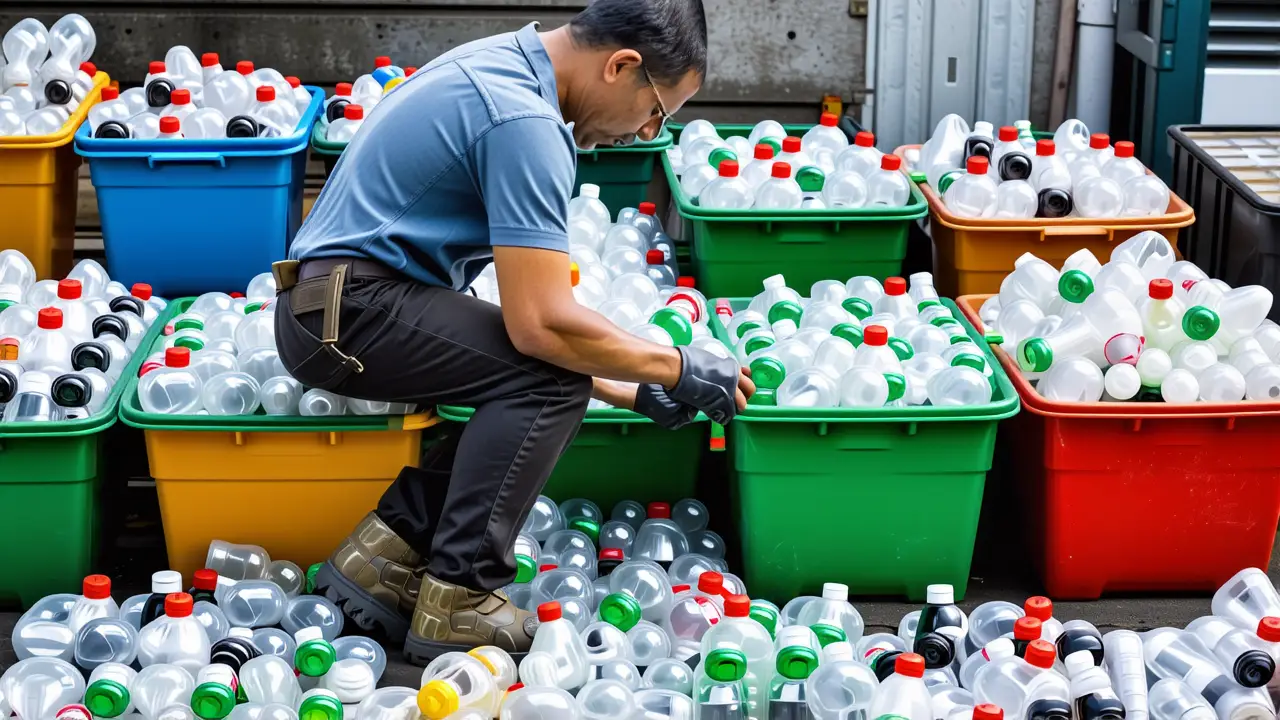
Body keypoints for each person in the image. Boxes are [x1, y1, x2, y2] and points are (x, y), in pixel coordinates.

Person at [272, 0, 753, 665]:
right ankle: (462, 597)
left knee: (540, 375)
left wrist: (631, 388)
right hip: (352, 311)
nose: (647, 132)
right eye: (657, 110)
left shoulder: (502, 67)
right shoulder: (525, 121)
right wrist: (677, 365)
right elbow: (543, 327)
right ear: (621, 66)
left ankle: (387, 554)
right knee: (549, 382)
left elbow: (521, 320)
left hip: (333, 304)